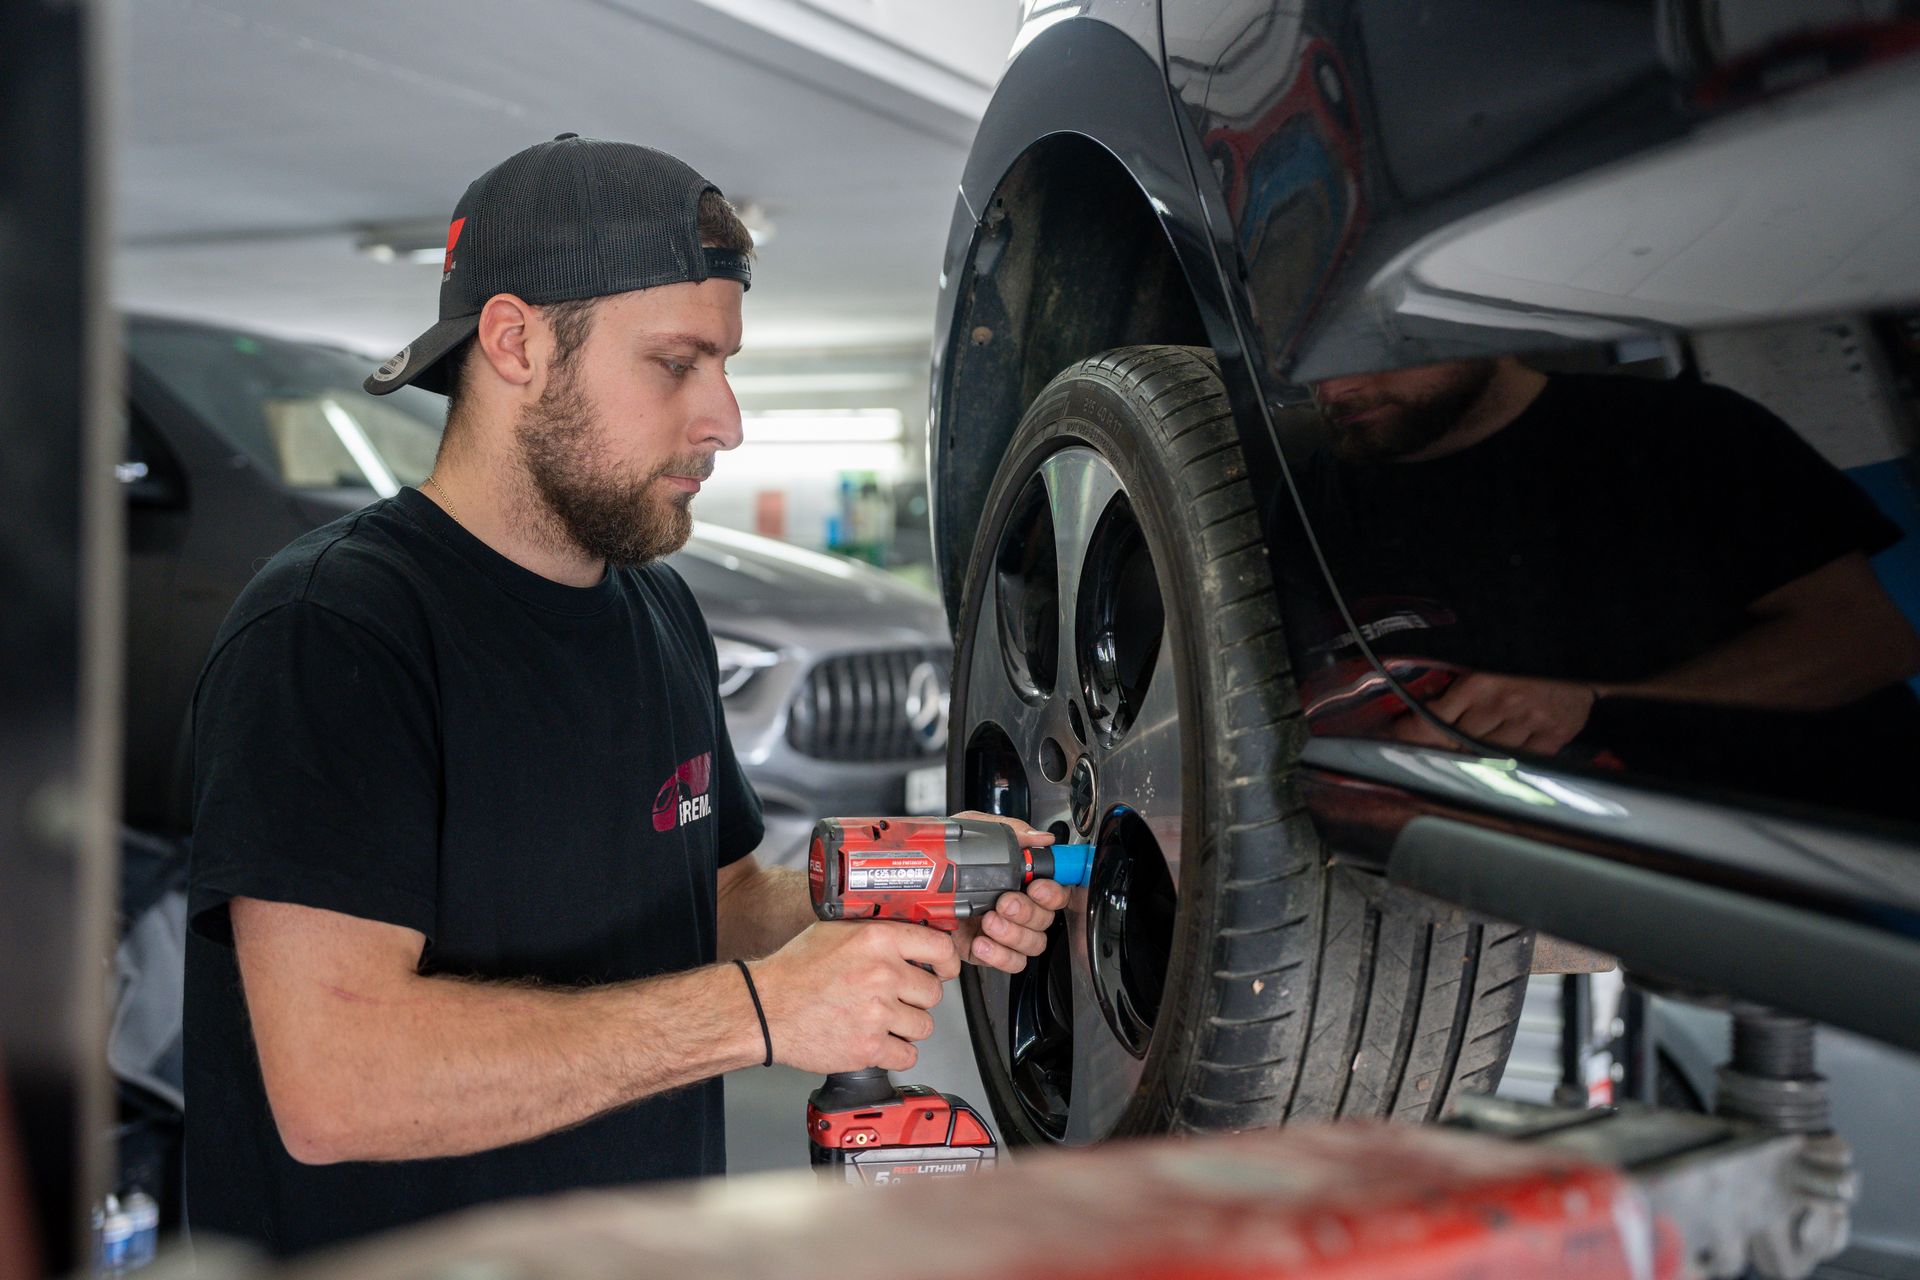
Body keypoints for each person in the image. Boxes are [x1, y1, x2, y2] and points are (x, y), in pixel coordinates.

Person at [182, 135, 1067, 1256]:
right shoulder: (333, 629)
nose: (726, 419)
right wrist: (762, 1010)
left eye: (727, 364)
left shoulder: (659, 613)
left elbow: (713, 899)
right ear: (516, 342)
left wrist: (906, 889)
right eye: (675, 363)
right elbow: (337, 1082)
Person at [1286, 354, 1920, 813]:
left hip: (1810, 870)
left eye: (1367, 349)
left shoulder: (1683, 432)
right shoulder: (1309, 504)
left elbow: (1865, 642)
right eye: (1306, 354)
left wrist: (1595, 699)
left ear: (1457, 319)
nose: (1334, 383)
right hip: (1528, 901)